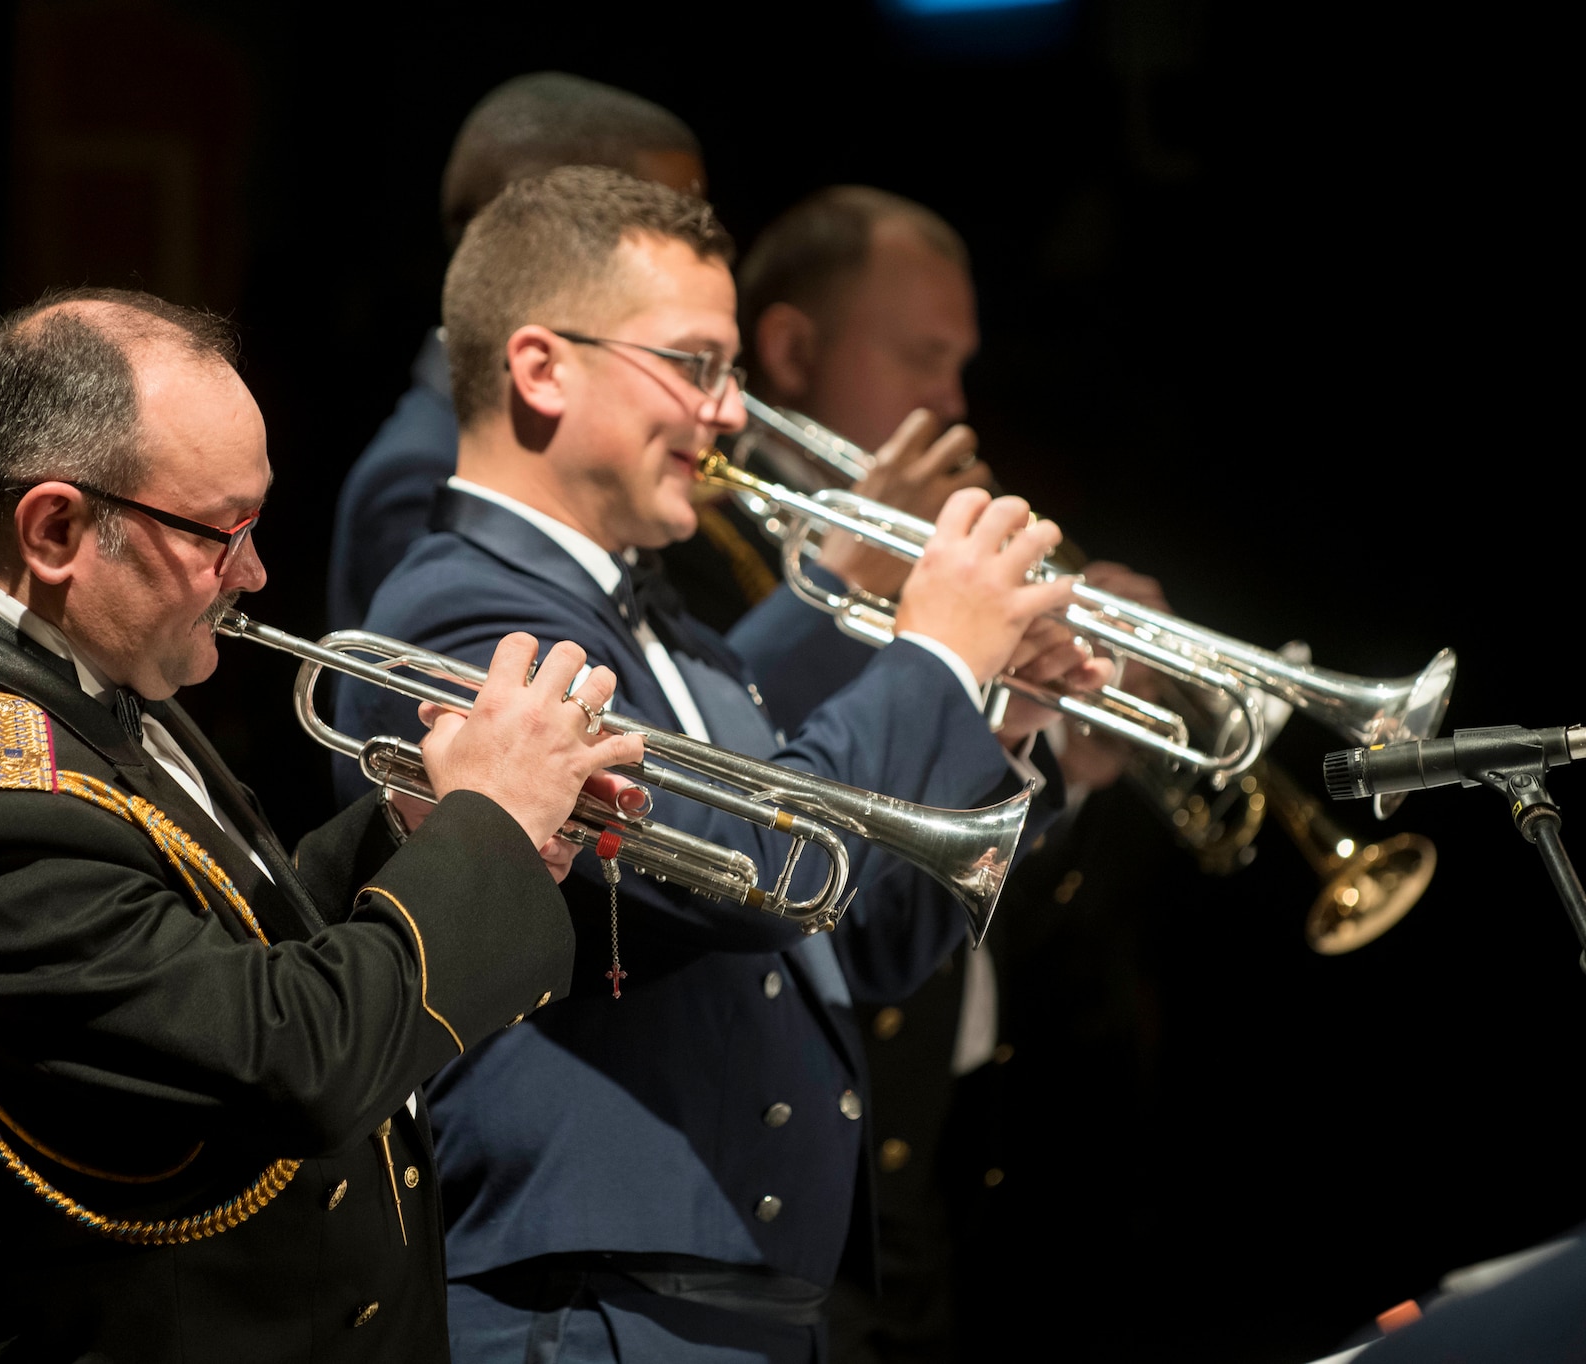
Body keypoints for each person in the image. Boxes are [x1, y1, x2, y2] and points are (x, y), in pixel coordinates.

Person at [333, 166, 1110, 1361]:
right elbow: (747, 870)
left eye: (731, 371)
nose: (731, 411)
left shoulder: (674, 631)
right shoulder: (461, 614)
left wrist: (994, 722)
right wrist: (936, 660)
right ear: (540, 367)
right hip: (585, 1307)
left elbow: (851, 933)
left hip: (738, 1299)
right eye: (695, 365)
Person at [0, 287, 649, 1361]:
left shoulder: (79, 674)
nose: (253, 574)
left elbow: (209, 947)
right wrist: (485, 823)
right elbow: (296, 1056)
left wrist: (418, 829)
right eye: (221, 532)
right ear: (55, 526)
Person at [735, 185, 1182, 1362]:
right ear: (790, 347)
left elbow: (958, 879)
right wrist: (882, 604)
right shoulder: (710, 540)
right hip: (792, 1172)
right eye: (918, 357)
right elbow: (764, 805)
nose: (950, 401)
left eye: (960, 363)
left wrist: (1052, 757)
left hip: (948, 1146)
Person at [327, 71, 706, 631]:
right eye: (654, 222)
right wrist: (841, 576)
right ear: (524, 224)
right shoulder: (415, 476)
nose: (694, 250)